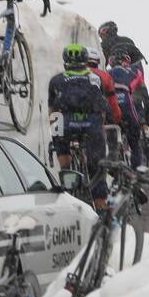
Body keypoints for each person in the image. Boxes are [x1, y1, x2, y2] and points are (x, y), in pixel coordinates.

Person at [48, 44, 111, 210]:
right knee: (97, 165)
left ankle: (66, 170)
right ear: (85, 61)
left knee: (57, 127)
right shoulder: (96, 79)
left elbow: (52, 112)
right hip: (91, 125)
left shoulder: (56, 80)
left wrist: (57, 139)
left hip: (67, 124)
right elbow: (102, 108)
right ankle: (100, 203)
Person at [99, 21, 149, 155]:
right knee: (139, 96)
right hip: (135, 68)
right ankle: (146, 127)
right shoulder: (127, 39)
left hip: (119, 71)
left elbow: (103, 63)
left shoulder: (105, 44)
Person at [107, 49, 149, 172]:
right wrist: (146, 118)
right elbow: (146, 98)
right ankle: (137, 170)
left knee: (111, 140)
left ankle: (113, 163)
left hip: (111, 107)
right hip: (129, 106)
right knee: (134, 141)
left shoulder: (106, 73)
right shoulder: (135, 72)